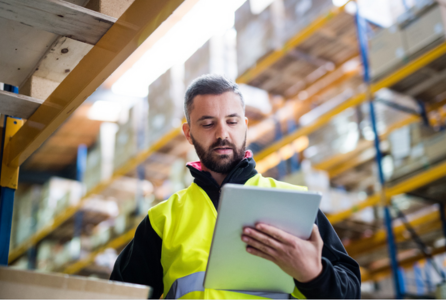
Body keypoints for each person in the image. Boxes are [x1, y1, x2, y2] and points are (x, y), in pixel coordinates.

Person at [111, 74, 361, 299]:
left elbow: (350, 291)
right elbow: (118, 295)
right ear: (188, 133)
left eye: (232, 121)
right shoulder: (162, 220)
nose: (223, 134)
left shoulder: (293, 202)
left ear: (245, 124)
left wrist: (314, 274)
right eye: (208, 124)